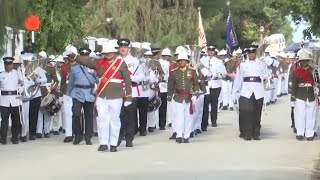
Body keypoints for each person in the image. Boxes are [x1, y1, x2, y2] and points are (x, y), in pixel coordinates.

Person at [67, 43, 132, 152]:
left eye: (110, 52)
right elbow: (86, 61)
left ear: (114, 52)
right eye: (106, 53)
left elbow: (127, 80)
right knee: (102, 119)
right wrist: (73, 55)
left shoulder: (120, 63)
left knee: (114, 120)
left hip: (116, 95)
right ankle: (103, 143)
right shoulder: (99, 62)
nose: (108, 55)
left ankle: (114, 143)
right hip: (102, 95)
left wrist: (129, 97)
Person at [232, 45, 268, 140]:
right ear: (247, 54)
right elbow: (239, 79)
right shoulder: (243, 65)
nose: (251, 54)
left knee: (257, 113)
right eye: (249, 53)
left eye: (253, 52)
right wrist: (236, 92)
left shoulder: (261, 64)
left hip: (258, 90)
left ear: (255, 53)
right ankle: (248, 133)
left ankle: (256, 133)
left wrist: (264, 78)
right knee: (247, 113)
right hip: (246, 90)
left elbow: (266, 75)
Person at [67, 47, 98, 145]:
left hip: (89, 92)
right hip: (77, 92)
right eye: (82, 55)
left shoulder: (93, 67)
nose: (85, 56)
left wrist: (93, 73)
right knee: (76, 114)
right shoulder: (74, 67)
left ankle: (88, 137)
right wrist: (68, 94)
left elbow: (98, 79)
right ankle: (77, 135)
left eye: (86, 54)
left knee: (89, 115)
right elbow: (71, 82)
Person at [167, 52, 200, 143]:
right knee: (178, 116)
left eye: (184, 61)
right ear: (178, 62)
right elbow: (170, 85)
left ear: (187, 61)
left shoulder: (192, 71)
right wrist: (170, 95)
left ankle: (186, 136)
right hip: (178, 97)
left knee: (188, 117)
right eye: (180, 61)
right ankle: (179, 135)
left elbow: (196, 84)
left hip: (189, 97)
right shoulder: (174, 72)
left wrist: (196, 94)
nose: (182, 62)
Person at [118, 38, 145, 147]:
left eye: (125, 47)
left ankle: (129, 138)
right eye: (121, 47)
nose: (123, 49)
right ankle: (118, 137)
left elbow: (141, 76)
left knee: (130, 116)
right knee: (118, 115)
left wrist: (132, 77)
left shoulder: (135, 61)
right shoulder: (116, 61)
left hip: (132, 91)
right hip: (118, 91)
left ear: (128, 48)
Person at [290, 49, 318, 141]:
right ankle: (300, 133)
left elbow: (317, 82)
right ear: (300, 62)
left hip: (311, 95)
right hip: (300, 95)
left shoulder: (314, 71)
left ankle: (309, 133)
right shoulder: (296, 71)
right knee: (300, 115)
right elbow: (294, 86)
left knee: (311, 115)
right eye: (302, 61)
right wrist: (292, 98)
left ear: (309, 61)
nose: (304, 62)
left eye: (306, 60)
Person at [200, 45, 227, 130]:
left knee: (214, 103)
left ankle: (214, 121)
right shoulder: (202, 60)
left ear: (214, 51)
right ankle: (205, 121)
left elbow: (224, 73)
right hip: (206, 84)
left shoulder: (219, 61)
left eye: (212, 50)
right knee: (205, 104)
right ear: (207, 51)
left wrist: (219, 75)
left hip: (215, 83)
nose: (210, 52)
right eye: (209, 50)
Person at [0, 57, 23, 144]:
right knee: (4, 120)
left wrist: (20, 90)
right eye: (6, 64)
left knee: (16, 119)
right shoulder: (1, 74)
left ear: (12, 65)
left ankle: (15, 138)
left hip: (15, 100)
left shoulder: (17, 74)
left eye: (9, 64)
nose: (8, 66)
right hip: (4, 100)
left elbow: (22, 84)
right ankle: (3, 138)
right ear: (4, 65)